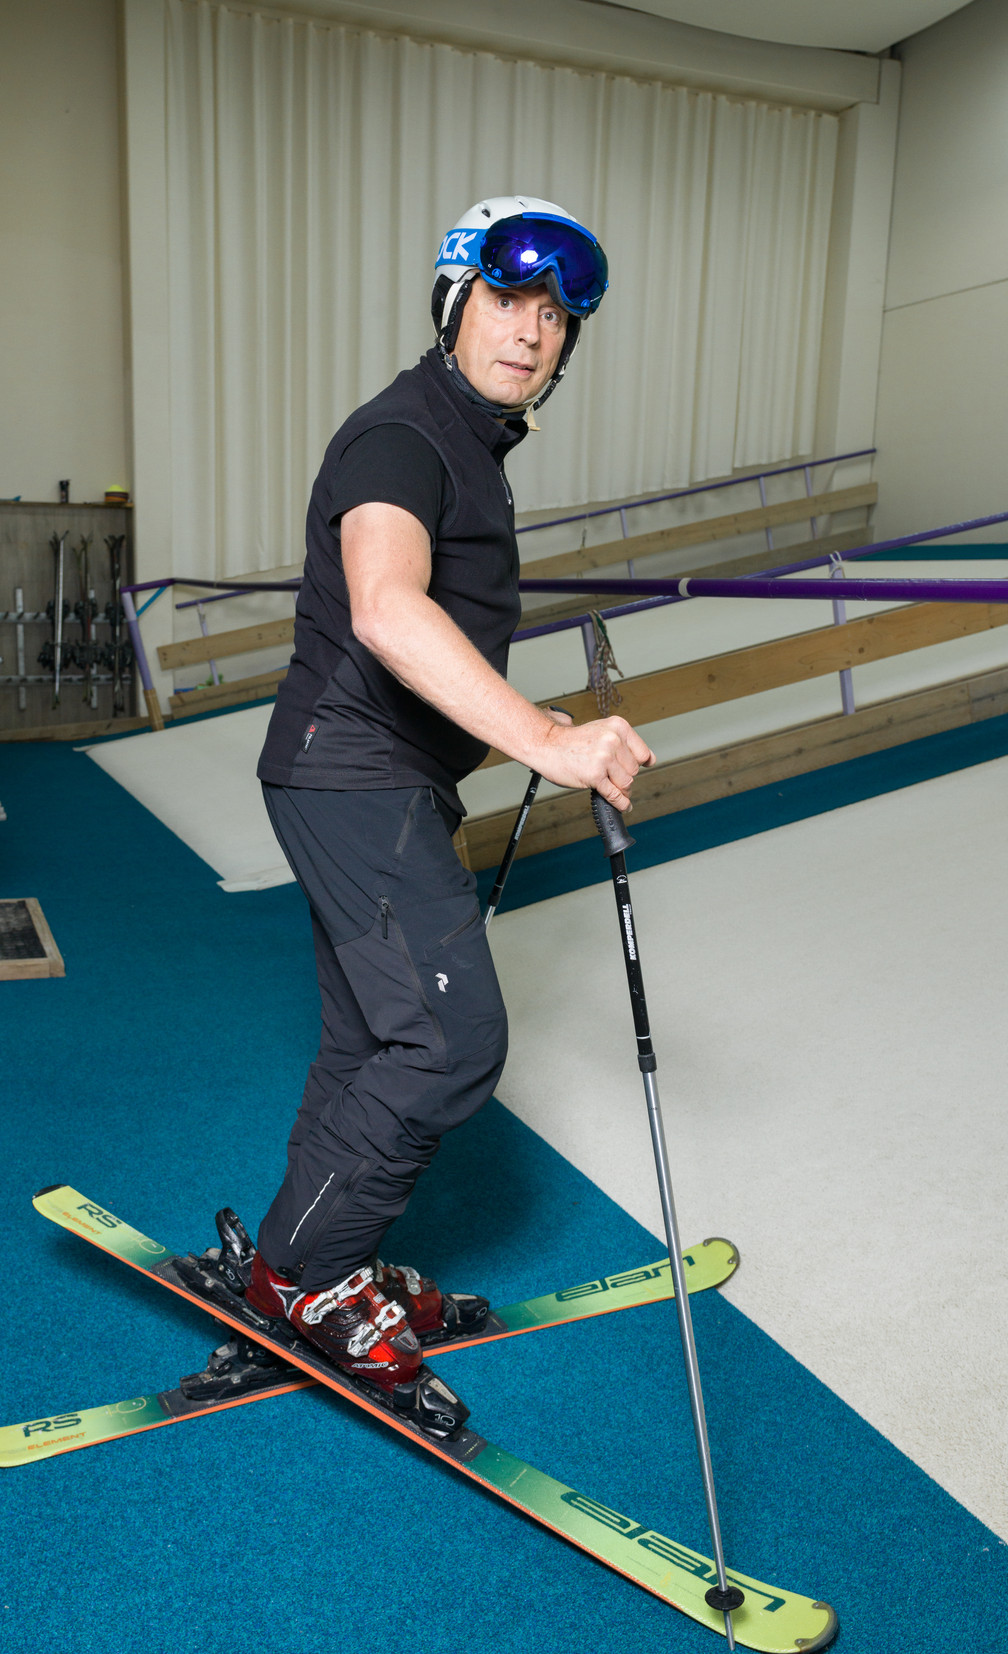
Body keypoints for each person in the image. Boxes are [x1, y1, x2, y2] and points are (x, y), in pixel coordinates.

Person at [243, 196, 655, 1414]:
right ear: (451, 300)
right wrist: (540, 735)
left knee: (372, 1037)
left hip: (379, 775)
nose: (529, 333)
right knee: (450, 1037)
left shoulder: (468, 442)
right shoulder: (401, 439)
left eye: (553, 315)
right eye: (505, 301)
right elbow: (384, 604)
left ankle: (305, 1255)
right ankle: (306, 1278)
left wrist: (502, 742)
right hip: (350, 768)